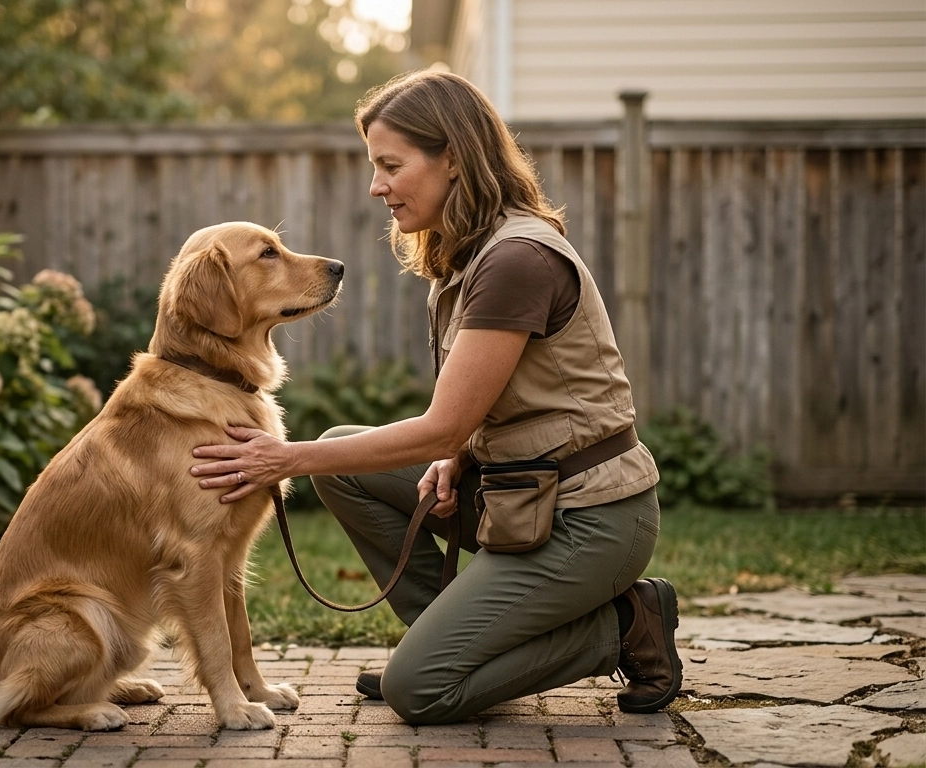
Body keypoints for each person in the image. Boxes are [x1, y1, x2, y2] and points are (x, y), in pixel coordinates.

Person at [189, 70, 681, 724]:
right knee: (343, 459)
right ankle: (454, 644)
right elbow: (478, 418)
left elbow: (443, 426)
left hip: (590, 517)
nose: (377, 186)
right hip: (517, 492)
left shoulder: (516, 261)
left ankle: (623, 624)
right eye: (375, 166)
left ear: (452, 156)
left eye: (391, 165)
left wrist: (285, 458)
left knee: (420, 691)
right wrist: (457, 458)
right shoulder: (466, 256)